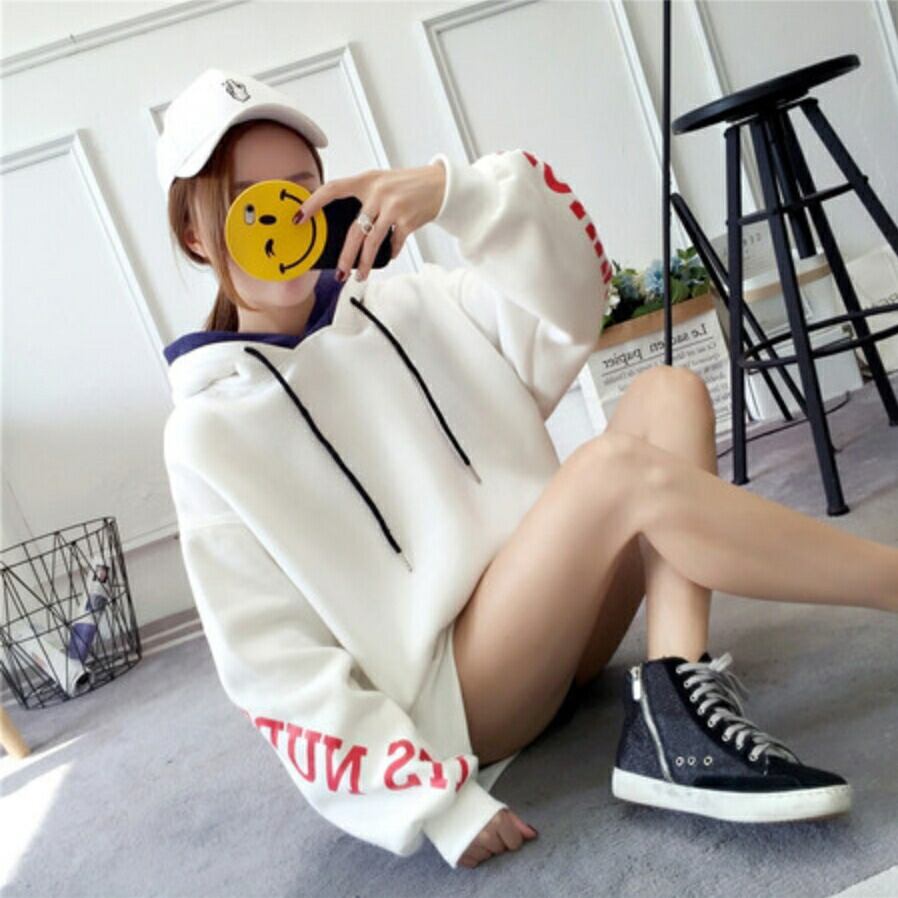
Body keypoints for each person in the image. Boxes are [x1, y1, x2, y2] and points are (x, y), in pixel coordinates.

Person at [158, 67, 898, 872]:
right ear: (197, 233)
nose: (288, 217)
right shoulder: (209, 432)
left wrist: (454, 195)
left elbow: (574, 299)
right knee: (615, 473)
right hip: (465, 697)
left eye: (303, 188)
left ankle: (673, 699)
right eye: (251, 202)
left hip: (560, 617)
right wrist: (427, 802)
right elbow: (270, 661)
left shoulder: (408, 303)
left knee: (668, 394)